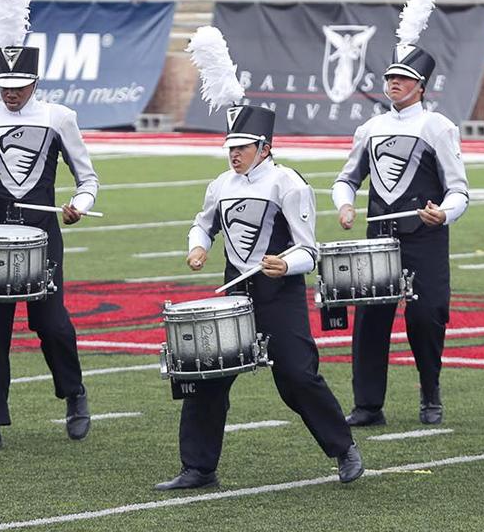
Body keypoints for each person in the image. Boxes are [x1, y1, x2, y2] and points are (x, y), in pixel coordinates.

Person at [154, 104, 364, 490]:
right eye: (230, 147)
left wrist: (286, 266)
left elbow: (309, 250)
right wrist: (197, 248)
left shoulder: (288, 183)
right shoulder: (221, 185)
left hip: (278, 295)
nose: (234, 154)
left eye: (243, 147)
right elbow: (202, 225)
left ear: (264, 147)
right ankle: (199, 467)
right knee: (207, 375)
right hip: (235, 294)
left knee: (297, 377)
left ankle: (344, 448)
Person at [0, 45, 97, 450]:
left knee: (51, 323)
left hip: (43, 235)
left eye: (19, 86)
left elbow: (88, 181)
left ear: (35, 82)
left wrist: (77, 208)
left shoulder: (59, 118)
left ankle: (74, 393)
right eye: (4, 86)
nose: (11, 93)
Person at [331, 38, 469, 427]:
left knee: (426, 317)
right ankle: (368, 404)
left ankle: (430, 390)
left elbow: (459, 188)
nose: (393, 82)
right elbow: (346, 179)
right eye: (391, 76)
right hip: (379, 239)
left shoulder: (438, 127)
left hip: (424, 239)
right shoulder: (370, 128)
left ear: (421, 86)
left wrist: (442, 214)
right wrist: (345, 205)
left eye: (403, 78)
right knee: (370, 321)